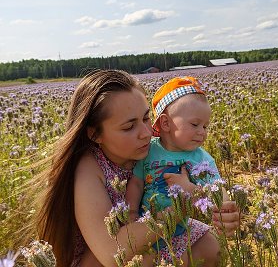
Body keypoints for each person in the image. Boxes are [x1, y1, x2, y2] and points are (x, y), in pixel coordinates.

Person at [29, 70, 238, 267]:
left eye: (146, 118)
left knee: (213, 245)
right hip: (108, 257)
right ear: (94, 134)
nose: (146, 133)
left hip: (150, 238)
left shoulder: (152, 149)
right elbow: (112, 253)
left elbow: (206, 174)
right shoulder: (89, 168)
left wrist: (224, 208)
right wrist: (177, 209)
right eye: (129, 127)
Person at [126, 76, 239, 266]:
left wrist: (218, 205)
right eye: (195, 125)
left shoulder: (200, 158)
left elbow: (217, 191)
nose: (202, 132)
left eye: (205, 126)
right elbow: (136, 181)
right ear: (166, 124)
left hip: (179, 232)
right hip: (146, 231)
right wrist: (130, 214)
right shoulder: (149, 150)